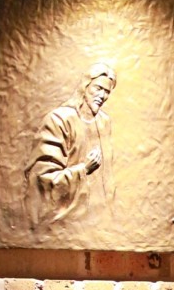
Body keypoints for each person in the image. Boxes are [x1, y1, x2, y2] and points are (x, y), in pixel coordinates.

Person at [25, 61, 117, 231]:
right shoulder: (59, 120)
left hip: (100, 224)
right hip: (65, 224)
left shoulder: (103, 123)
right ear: (85, 86)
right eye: (98, 88)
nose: (102, 96)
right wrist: (84, 169)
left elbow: (107, 179)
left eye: (107, 92)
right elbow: (42, 180)